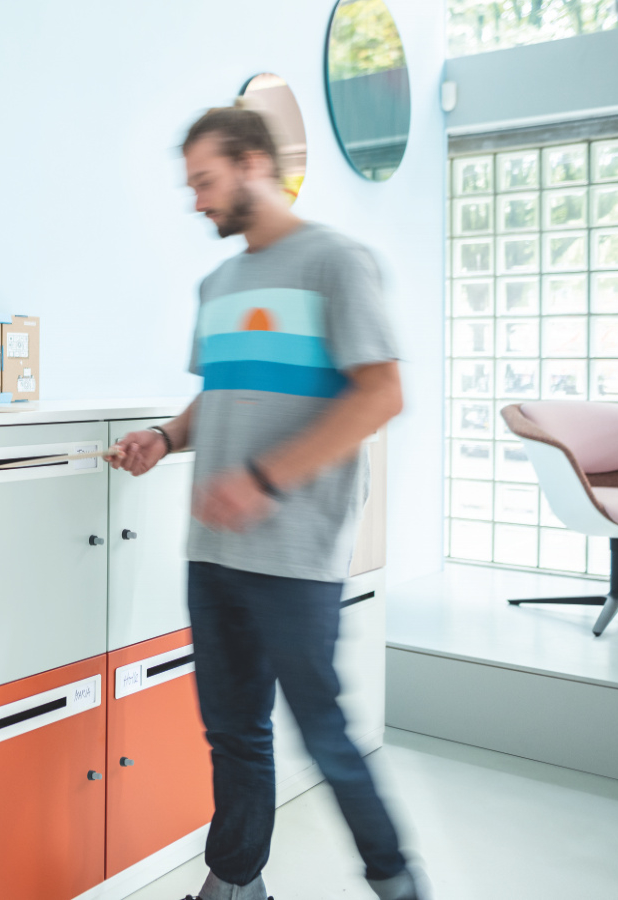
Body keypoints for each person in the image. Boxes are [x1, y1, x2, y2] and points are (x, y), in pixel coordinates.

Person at [110, 107, 423, 900]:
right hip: (213, 551)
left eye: (205, 182)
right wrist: (162, 437)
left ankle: (396, 882)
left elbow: (381, 394)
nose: (195, 202)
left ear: (253, 165)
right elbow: (216, 398)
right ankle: (234, 885)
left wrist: (264, 478)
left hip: (294, 550)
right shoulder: (217, 283)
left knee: (324, 733)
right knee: (234, 734)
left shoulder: (338, 263)